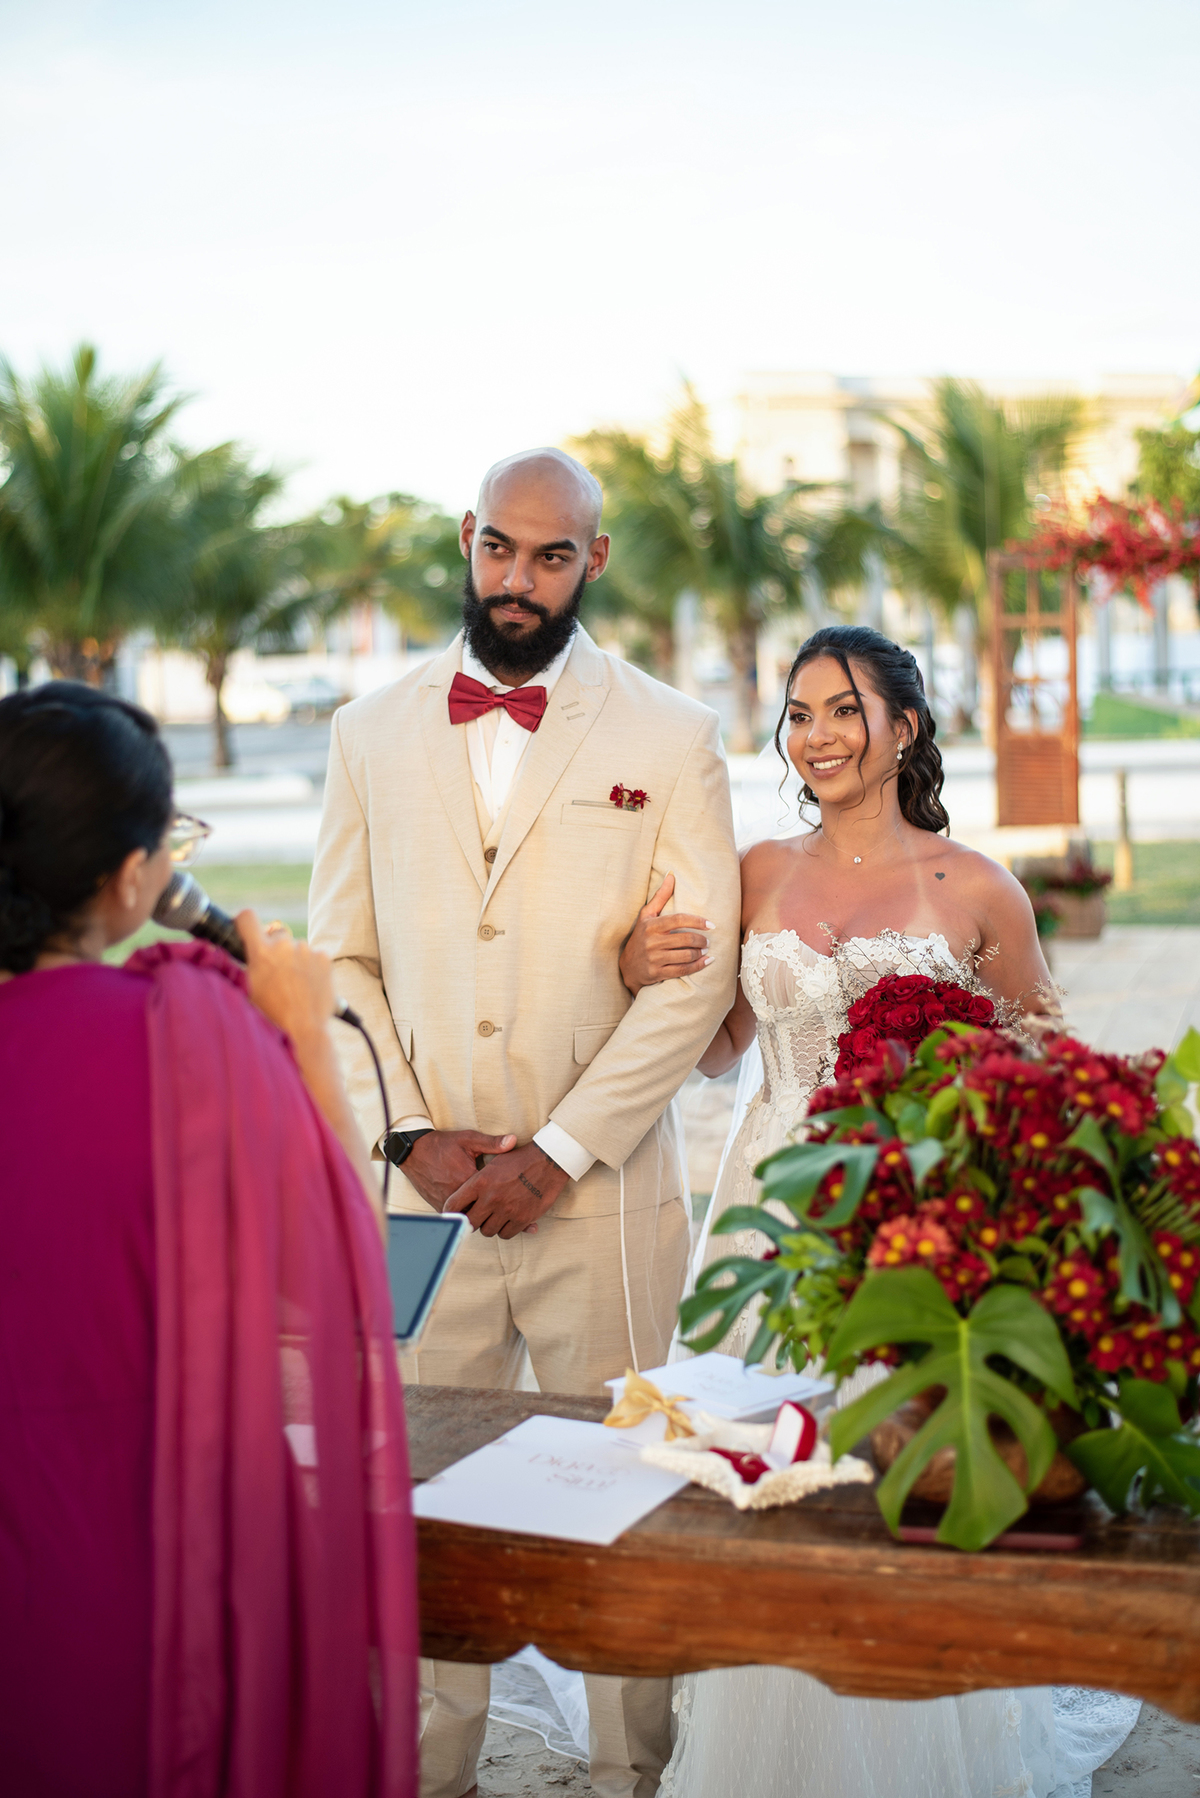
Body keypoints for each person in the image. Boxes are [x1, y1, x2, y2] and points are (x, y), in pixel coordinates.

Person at [619, 625, 1139, 1797]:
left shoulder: (981, 888)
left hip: (912, 1223)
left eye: (843, 708)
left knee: (894, 1487)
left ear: (904, 725)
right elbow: (716, 1052)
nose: (817, 736)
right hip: (764, 1214)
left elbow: (1042, 1079)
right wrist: (643, 967)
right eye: (798, 714)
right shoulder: (753, 870)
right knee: (762, 1480)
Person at [308, 447, 742, 1798]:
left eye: (552, 555)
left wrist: (558, 1151)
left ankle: (630, 1776)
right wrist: (412, 1132)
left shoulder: (673, 735)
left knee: (624, 1500)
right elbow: (338, 963)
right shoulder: (365, 730)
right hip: (421, 1200)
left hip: (601, 1197)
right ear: (468, 538)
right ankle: (431, 1771)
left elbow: (701, 975)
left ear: (595, 562)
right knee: (422, 1508)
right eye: (500, 547)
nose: (519, 579)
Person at [0, 683, 418, 1798]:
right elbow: (337, 1276)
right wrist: (301, 1037)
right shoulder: (185, 1036)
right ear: (133, 873)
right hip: (146, 1549)